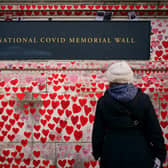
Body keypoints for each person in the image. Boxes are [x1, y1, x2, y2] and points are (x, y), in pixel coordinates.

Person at [92, 61, 166, 168]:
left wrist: (97, 153)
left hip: (112, 155)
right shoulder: (143, 99)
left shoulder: (103, 102)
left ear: (111, 79)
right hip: (140, 154)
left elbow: (98, 132)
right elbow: (154, 130)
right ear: (129, 78)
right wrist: (160, 154)